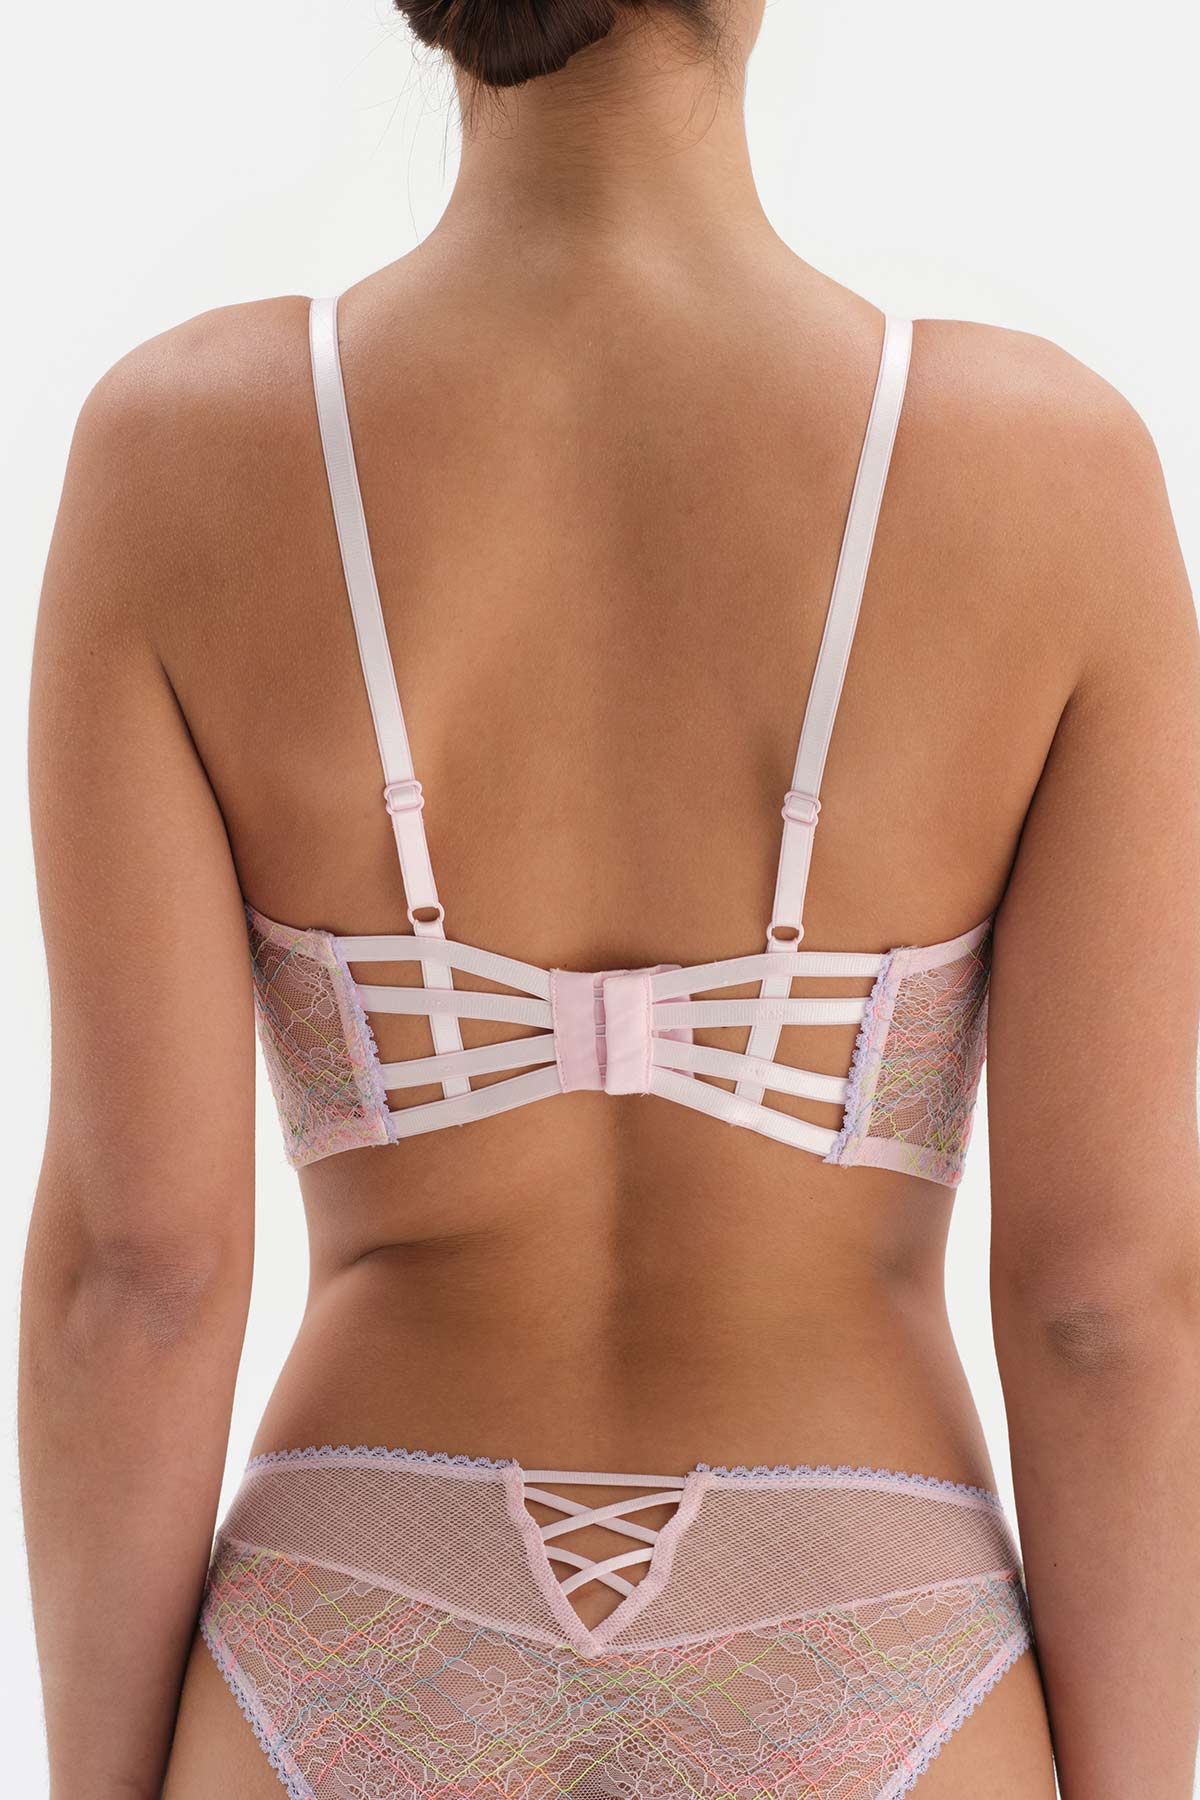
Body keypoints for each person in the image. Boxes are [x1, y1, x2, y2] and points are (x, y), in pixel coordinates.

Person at [18, 0, 1200, 1793]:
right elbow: (1102, 1303)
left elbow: (142, 1274)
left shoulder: (182, 451)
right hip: (868, 1618)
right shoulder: (1051, 473)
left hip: (350, 1619)